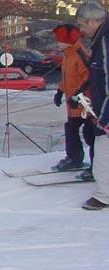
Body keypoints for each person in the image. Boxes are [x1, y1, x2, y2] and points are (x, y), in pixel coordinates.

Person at [75, 1, 109, 210]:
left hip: (107, 111)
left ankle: (104, 196)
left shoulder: (105, 40)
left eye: (82, 25)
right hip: (103, 106)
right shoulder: (101, 39)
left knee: (103, 152)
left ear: (91, 21)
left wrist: (105, 116)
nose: (81, 30)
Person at [51, 24, 94, 174]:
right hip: (73, 104)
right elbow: (67, 78)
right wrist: (59, 92)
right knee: (71, 129)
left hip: (85, 104)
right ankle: (74, 158)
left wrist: (77, 95)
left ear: (68, 40)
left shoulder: (79, 54)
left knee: (90, 135)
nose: (57, 43)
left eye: (59, 40)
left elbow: (88, 78)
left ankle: (96, 166)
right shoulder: (68, 55)